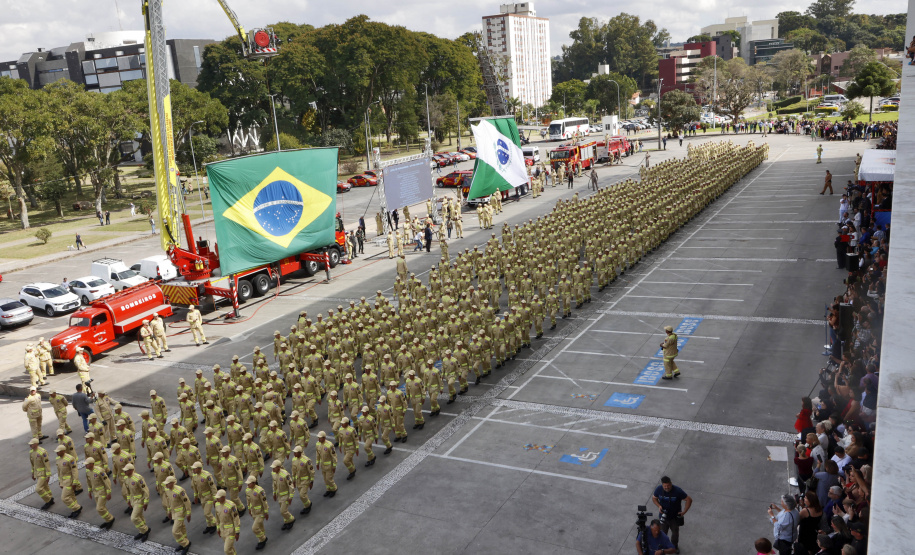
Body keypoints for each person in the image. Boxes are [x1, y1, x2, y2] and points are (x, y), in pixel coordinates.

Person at [651, 476, 692, 552]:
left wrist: (684, 512)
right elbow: (654, 498)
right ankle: (663, 549)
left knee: (675, 535)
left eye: (668, 485)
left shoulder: (677, 491)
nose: (667, 487)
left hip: (674, 518)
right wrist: (659, 506)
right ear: (662, 485)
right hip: (663, 517)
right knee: (662, 534)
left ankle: (674, 547)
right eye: (665, 486)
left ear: (671, 483)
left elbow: (689, 499)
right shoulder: (659, 489)